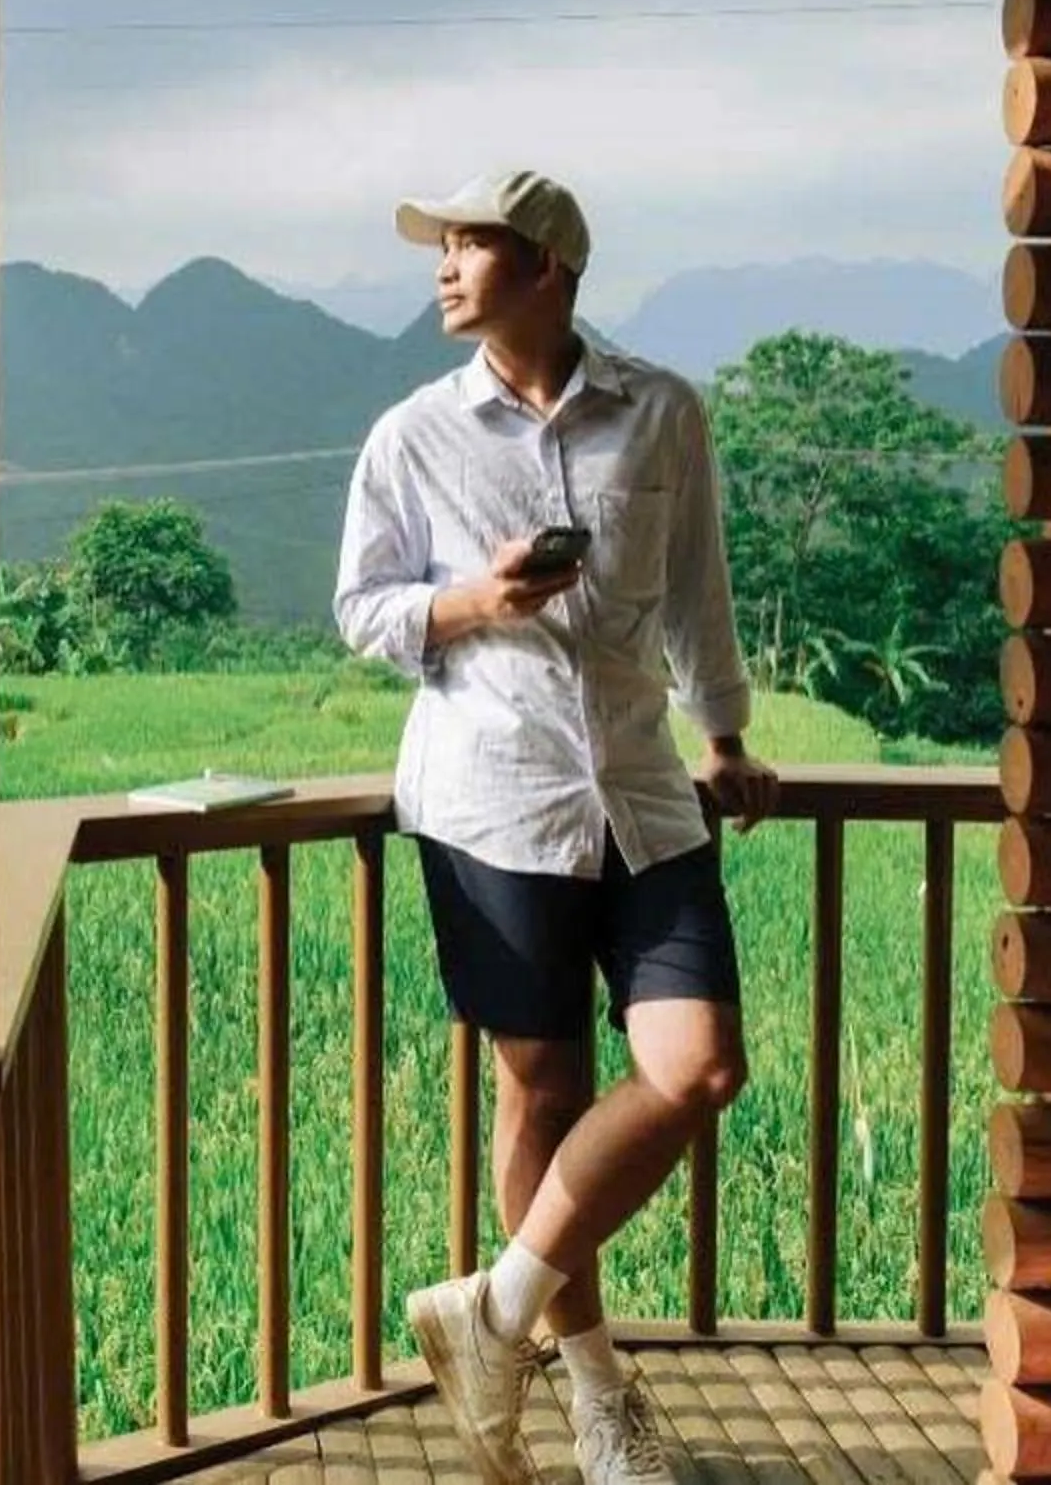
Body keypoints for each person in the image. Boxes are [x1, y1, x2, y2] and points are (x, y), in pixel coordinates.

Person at [333, 168, 778, 1485]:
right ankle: (595, 1398)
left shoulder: (661, 414)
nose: (445, 265)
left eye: (472, 242)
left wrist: (732, 736)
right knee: (547, 1089)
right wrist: (478, 601)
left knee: (697, 1066)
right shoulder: (413, 434)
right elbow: (364, 610)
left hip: (644, 794)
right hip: (491, 800)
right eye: (445, 244)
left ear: (550, 267)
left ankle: (496, 1306)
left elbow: (699, 587)